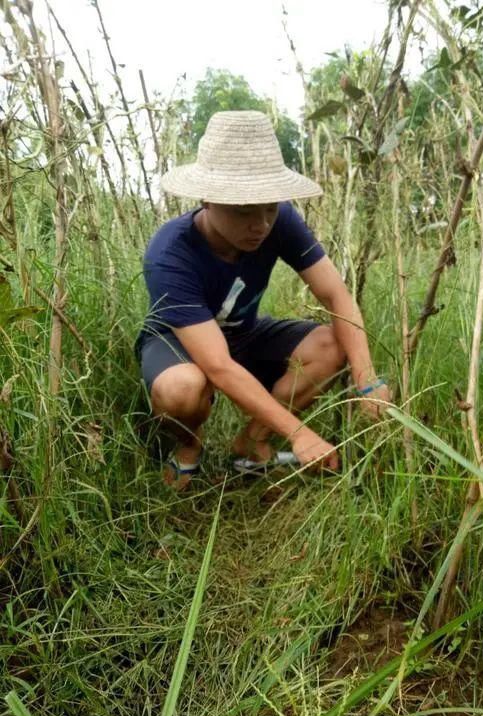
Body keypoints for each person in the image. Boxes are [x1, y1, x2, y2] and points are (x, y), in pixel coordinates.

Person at [135, 110, 391, 489]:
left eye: (270, 209)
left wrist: (366, 378)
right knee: (181, 390)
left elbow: (336, 294)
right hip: (180, 344)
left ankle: (251, 441)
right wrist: (300, 433)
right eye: (244, 212)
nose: (261, 225)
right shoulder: (169, 253)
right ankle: (189, 444)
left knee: (334, 344)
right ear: (207, 199)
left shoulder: (279, 220)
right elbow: (218, 366)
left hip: (244, 334)